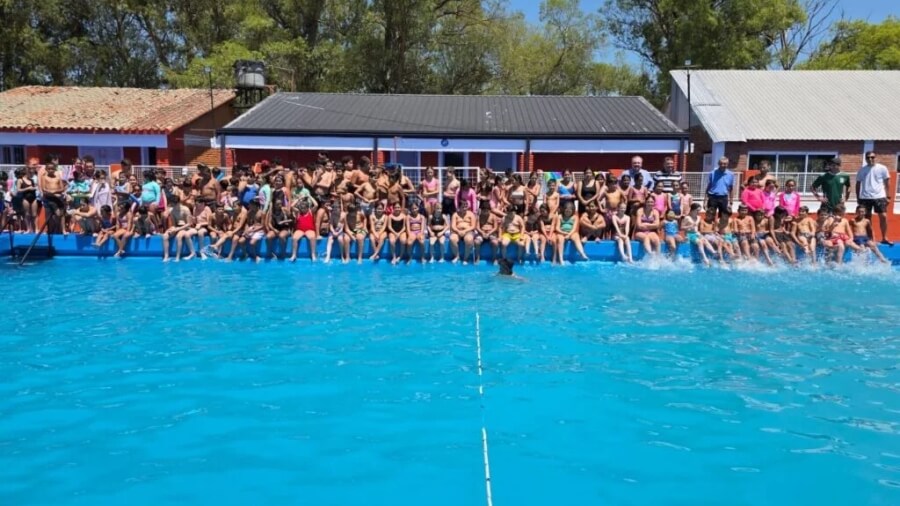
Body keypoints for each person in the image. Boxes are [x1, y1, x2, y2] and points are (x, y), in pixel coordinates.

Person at [856, 151, 892, 245]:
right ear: (865, 159)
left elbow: (887, 182)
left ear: (876, 157)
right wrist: (858, 198)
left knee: (883, 216)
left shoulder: (882, 168)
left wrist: (888, 196)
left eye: (872, 157)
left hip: (879, 197)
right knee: (867, 219)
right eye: (868, 157)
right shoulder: (862, 170)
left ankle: (884, 237)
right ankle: (870, 239)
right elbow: (858, 184)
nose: (870, 159)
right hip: (865, 197)